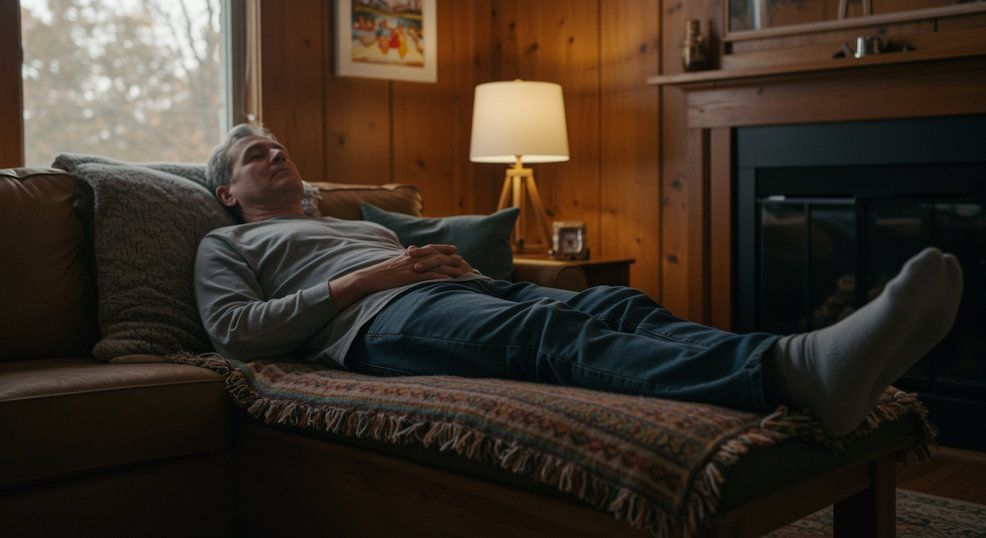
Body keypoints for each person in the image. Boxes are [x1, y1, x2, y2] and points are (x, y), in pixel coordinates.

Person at [195, 124, 964, 437]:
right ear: (229, 191)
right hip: (376, 327)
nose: (274, 154)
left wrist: (457, 266)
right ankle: (789, 372)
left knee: (612, 299)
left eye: (277, 146)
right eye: (254, 154)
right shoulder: (226, 245)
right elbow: (234, 333)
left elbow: (422, 263)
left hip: (450, 294)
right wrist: (371, 280)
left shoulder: (356, 222)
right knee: (548, 331)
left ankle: (798, 351)